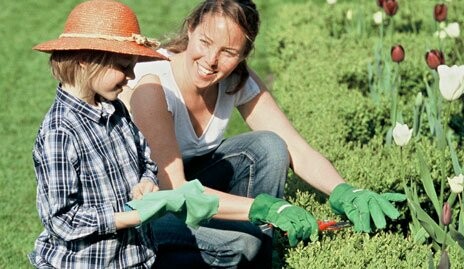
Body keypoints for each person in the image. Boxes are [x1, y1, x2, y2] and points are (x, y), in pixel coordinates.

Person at [124, 0, 406, 267]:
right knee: (240, 246)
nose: (211, 60)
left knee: (270, 146)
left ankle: (256, 243)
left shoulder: (234, 80)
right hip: (151, 201)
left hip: (193, 190)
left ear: (243, 55)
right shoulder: (155, 84)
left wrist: (345, 191)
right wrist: (265, 207)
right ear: (191, 29)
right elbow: (173, 187)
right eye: (205, 42)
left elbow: (296, 148)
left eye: (228, 52)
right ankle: (243, 244)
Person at [28, 1, 218, 268]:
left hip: (136, 257)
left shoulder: (114, 109)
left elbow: (146, 159)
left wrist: (146, 183)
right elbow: (62, 220)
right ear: (85, 59)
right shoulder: (59, 133)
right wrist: (132, 216)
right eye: (123, 65)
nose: (131, 75)